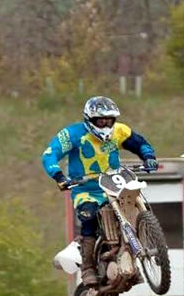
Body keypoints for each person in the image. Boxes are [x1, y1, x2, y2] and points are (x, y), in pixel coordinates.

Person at [42, 96, 158, 286]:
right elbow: (49, 154)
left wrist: (149, 157)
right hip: (86, 189)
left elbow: (140, 143)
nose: (105, 124)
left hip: (114, 186)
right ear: (89, 119)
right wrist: (59, 177)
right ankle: (87, 267)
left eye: (109, 120)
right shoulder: (72, 134)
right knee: (88, 219)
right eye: (100, 120)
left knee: (134, 210)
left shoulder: (120, 130)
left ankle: (134, 260)